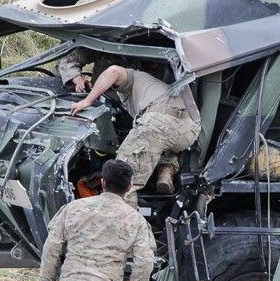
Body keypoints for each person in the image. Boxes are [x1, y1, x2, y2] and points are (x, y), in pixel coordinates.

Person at [70, 65, 200, 204]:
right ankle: (166, 170)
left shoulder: (133, 77)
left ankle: (125, 224)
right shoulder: (153, 87)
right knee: (159, 143)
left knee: (120, 182)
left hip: (159, 122)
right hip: (189, 130)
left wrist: (87, 100)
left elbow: (113, 71)